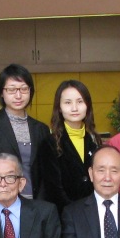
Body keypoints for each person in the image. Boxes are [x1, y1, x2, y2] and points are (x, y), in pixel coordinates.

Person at [0, 63, 51, 200]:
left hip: (34, 203)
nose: (18, 95)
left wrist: (39, 205)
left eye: (24, 89)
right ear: (1, 93)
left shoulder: (41, 129)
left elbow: (46, 172)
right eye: (11, 90)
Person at [40, 79, 101, 210]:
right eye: (68, 102)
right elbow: (53, 189)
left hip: (93, 212)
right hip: (64, 214)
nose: (74, 108)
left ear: (87, 105)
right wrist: (73, 213)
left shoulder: (95, 140)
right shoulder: (50, 142)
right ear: (59, 108)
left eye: (80, 101)